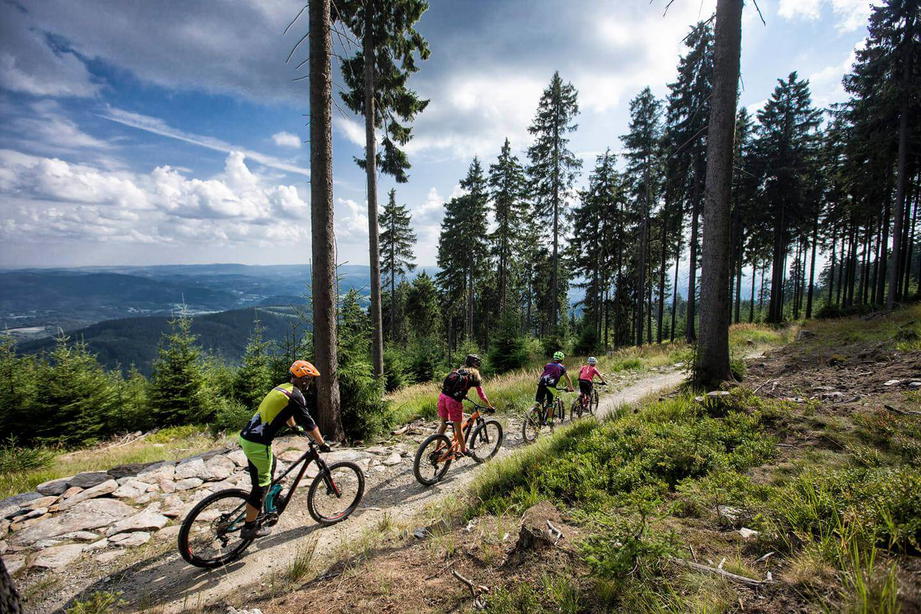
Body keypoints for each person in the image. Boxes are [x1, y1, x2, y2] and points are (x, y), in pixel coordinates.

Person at [237, 360, 331, 540]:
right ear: (304, 379)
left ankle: (269, 501)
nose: (310, 382)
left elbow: (287, 412)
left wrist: (293, 426)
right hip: (258, 443)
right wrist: (322, 444)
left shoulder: (282, 389)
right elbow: (310, 424)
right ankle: (249, 527)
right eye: (309, 379)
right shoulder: (296, 395)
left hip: (247, 437)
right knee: (261, 486)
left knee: (271, 465)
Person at [437, 354, 495, 457]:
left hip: (442, 397)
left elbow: (455, 386)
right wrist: (489, 406)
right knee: (458, 429)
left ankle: (437, 450)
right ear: (476, 365)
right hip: (453, 402)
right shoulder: (475, 375)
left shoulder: (459, 371)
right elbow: (481, 394)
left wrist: (462, 393)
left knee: (443, 425)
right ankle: (464, 450)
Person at [535, 351, 574, 423]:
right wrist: (571, 387)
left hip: (541, 383)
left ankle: (533, 413)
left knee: (539, 401)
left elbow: (545, 373)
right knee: (550, 403)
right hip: (551, 386)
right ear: (562, 359)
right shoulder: (562, 367)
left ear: (554, 358)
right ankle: (549, 420)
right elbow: (567, 378)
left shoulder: (547, 365)